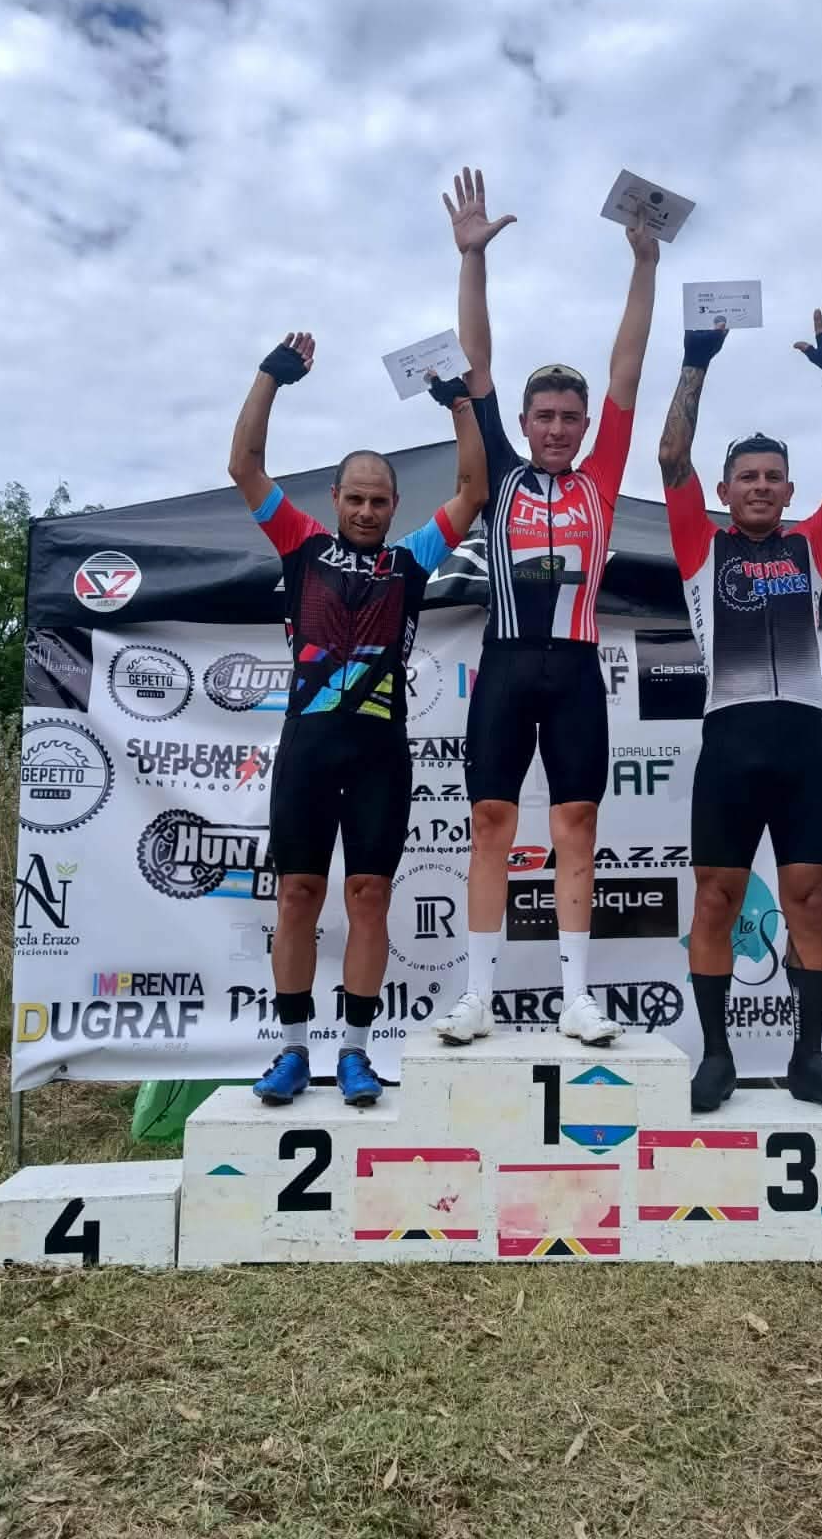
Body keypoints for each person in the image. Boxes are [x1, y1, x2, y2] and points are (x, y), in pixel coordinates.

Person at [429, 167, 659, 1049]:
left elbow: (627, 367)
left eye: (570, 416)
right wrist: (472, 259)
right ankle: (476, 997)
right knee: (491, 823)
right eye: (545, 416)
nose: (559, 428)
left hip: (574, 669)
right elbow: (475, 363)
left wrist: (644, 265)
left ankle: (576, 997)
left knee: (576, 824)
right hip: (505, 664)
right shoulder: (501, 474)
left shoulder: (601, 480)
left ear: (584, 425)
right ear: (523, 423)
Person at [227, 331, 488, 1106]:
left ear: (394, 506)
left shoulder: (410, 560)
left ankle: (355, 1053)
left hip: (379, 755)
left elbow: (473, 489)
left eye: (379, 501)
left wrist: (458, 404)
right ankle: (290, 1052)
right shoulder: (301, 545)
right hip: (307, 750)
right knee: (298, 896)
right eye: (356, 499)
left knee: (369, 897)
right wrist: (269, 377)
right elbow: (244, 466)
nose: (368, 511)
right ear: (335, 499)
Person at [657, 303, 822, 1113]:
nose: (759, 486)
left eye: (772, 477)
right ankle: (717, 1057)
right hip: (731, 742)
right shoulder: (700, 546)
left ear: (789, 490)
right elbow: (671, 457)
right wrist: (696, 360)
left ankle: (808, 1060)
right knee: (716, 899)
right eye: (746, 477)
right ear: (724, 491)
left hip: (803, 746)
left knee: (809, 900)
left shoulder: (810, 544)